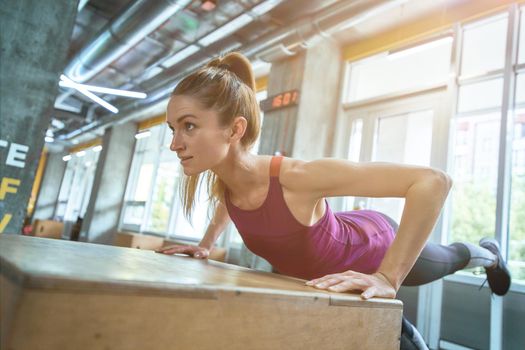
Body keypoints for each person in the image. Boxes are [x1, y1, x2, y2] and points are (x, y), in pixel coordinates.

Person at [155, 52, 511, 349]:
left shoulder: (296, 176)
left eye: (189, 126)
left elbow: (433, 182)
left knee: (448, 259)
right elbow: (231, 204)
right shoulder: (228, 183)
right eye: (173, 129)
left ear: (234, 130)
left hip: (375, 245)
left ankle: (490, 255)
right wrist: (205, 245)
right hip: (330, 277)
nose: (175, 143)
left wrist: (387, 277)